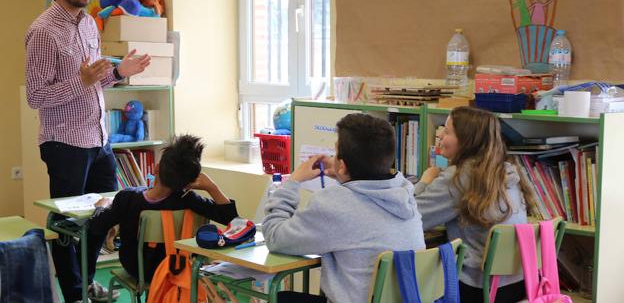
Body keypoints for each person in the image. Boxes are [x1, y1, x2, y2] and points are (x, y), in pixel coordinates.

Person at [25, 0, 151, 303]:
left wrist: (117, 73)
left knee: (105, 215)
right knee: (67, 227)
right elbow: (35, 96)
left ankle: (87, 281)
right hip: (64, 143)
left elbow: (95, 81)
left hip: (99, 139)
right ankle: (75, 294)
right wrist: (80, 81)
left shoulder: (90, 24)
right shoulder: (42, 32)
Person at [262, 113, 425, 303]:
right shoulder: (405, 192)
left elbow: (275, 237)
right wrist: (345, 174)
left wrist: (293, 181)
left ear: (343, 165)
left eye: (336, 153)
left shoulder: (334, 204)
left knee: (281, 298)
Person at [413, 106, 537, 303]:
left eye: (447, 131)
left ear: (466, 140)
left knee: (407, 278)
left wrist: (425, 181)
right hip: (518, 282)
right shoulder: (507, 171)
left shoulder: (459, 178)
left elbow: (412, 219)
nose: (441, 137)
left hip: (477, 287)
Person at [88, 134, 238, 283]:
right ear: (189, 182)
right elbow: (231, 220)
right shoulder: (189, 200)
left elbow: (96, 226)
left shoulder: (127, 198)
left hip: (140, 270)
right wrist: (212, 187)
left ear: (156, 168)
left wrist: (102, 206)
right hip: (182, 268)